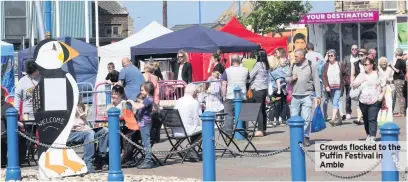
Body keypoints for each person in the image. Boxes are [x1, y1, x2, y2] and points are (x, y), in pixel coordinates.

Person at [286, 49, 321, 146]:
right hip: (295, 96)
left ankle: (305, 136)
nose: (295, 58)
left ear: (302, 56)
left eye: (296, 56)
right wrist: (291, 79)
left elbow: (316, 80)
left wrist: (318, 95)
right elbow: (286, 78)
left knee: (306, 118)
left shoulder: (311, 65)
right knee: (294, 118)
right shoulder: (292, 65)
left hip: (307, 95)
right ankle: (295, 137)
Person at [68, 97, 109, 173]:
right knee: (90, 134)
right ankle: (88, 163)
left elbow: (85, 121)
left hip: (84, 129)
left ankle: (100, 157)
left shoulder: (81, 106)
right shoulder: (67, 106)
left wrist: (84, 114)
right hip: (72, 132)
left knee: (104, 130)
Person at [351, 58, 385, 143]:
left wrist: (382, 95)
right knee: (366, 119)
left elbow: (384, 85)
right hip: (363, 101)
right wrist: (361, 80)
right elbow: (353, 84)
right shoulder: (362, 75)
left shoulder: (377, 74)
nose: (364, 66)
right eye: (363, 65)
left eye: (366, 64)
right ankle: (368, 134)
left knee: (372, 118)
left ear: (371, 65)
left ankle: (373, 136)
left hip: (375, 100)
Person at [127, 82, 155, 169]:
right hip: (142, 123)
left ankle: (148, 161)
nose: (141, 92)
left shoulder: (148, 100)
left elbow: (138, 107)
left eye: (142, 90)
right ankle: (146, 160)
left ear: (148, 90)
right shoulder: (147, 99)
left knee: (146, 143)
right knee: (145, 142)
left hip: (145, 124)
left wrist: (131, 102)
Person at [221, 54, 249, 136]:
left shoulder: (227, 70)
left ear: (231, 61)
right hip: (242, 95)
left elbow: (223, 84)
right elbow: (248, 83)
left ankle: (228, 133)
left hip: (230, 95)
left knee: (229, 115)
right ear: (239, 61)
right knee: (243, 115)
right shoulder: (246, 70)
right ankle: (243, 132)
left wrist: (224, 96)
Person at [322, 49, 346, 126]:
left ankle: (333, 119)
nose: (330, 57)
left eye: (331, 55)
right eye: (329, 56)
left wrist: (346, 82)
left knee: (335, 102)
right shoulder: (326, 65)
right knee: (334, 102)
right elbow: (324, 76)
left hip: (338, 87)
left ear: (335, 56)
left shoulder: (340, 64)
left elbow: (344, 74)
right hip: (330, 87)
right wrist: (326, 86)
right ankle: (339, 119)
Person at [249, 49, 270, 137]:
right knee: (263, 109)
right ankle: (263, 128)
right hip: (264, 89)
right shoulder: (266, 65)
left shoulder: (258, 64)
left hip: (257, 88)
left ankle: (260, 130)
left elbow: (251, 75)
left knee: (258, 110)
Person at [350, 49, 367, 125]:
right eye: (359, 55)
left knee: (366, 101)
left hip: (367, 84)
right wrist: (352, 82)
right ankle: (358, 118)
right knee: (358, 101)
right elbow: (352, 74)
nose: (360, 56)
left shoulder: (369, 62)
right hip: (358, 84)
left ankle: (365, 116)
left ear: (366, 55)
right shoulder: (355, 63)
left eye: (362, 55)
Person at [343, 44, 359, 120]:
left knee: (360, 96)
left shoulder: (360, 58)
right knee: (348, 97)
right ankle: (348, 112)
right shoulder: (346, 58)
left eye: (356, 49)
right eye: (353, 49)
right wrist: (345, 79)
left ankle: (360, 112)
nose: (354, 50)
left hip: (358, 80)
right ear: (351, 50)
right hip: (348, 80)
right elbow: (343, 69)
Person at [389, 48, 406, 117]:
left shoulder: (399, 61)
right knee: (401, 95)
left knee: (400, 96)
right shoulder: (403, 61)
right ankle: (402, 111)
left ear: (397, 53)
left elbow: (397, 71)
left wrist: (391, 66)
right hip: (401, 79)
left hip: (399, 80)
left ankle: (402, 112)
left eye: (395, 52)